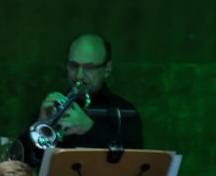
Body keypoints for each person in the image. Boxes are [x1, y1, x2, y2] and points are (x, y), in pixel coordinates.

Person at [22, 34, 143, 166]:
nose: (79, 75)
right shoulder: (53, 107)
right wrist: (41, 123)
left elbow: (134, 163)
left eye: (89, 67)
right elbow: (19, 161)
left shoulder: (125, 111)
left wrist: (90, 129)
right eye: (73, 66)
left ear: (107, 69)